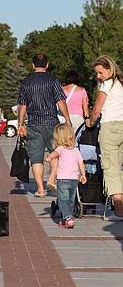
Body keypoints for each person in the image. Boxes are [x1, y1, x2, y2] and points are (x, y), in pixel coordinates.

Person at [18, 53, 71, 198]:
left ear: (33, 65)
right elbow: (61, 101)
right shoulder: (53, 80)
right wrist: (67, 119)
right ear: (47, 65)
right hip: (51, 122)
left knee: (36, 158)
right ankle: (52, 179)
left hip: (33, 123)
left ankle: (40, 190)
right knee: (55, 153)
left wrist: (21, 123)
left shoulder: (26, 81)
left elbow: (22, 105)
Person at [89, 55, 123, 217]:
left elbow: (96, 110)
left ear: (109, 69)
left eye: (100, 73)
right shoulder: (121, 84)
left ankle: (119, 211)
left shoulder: (107, 85)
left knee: (111, 169)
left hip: (109, 128)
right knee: (120, 168)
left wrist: (90, 122)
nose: (98, 76)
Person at [45, 124, 87, 228]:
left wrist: (49, 157)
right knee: (70, 200)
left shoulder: (60, 149)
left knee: (63, 200)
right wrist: (83, 175)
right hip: (74, 179)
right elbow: (81, 162)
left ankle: (68, 217)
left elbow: (54, 153)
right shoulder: (76, 150)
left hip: (63, 179)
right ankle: (66, 219)